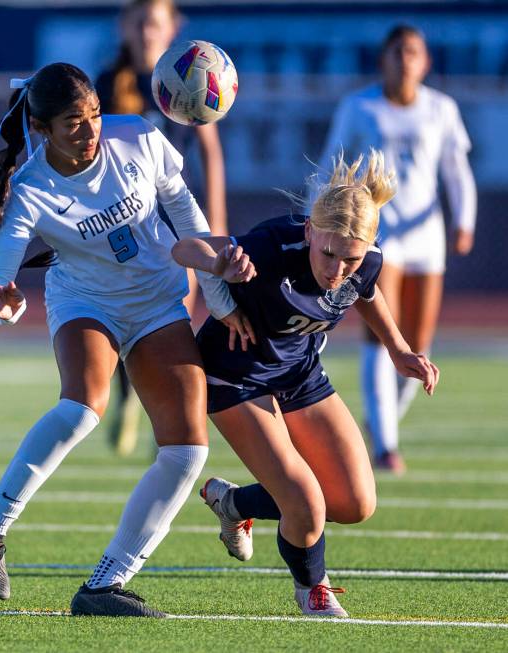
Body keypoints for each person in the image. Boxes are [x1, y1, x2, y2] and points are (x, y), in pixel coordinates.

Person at [0, 62, 245, 618]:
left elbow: (186, 214)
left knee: (187, 451)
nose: (89, 131)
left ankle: (105, 585)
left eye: (93, 115)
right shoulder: (31, 188)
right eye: (72, 122)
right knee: (82, 408)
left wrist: (218, 296)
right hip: (85, 302)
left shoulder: (138, 135)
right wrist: (4, 304)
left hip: (158, 301)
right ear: (42, 129)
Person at [171, 150, 439, 617]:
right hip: (237, 376)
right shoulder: (273, 245)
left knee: (355, 503)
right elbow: (184, 248)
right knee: (307, 506)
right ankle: (312, 588)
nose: (337, 270)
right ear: (310, 231)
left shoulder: (366, 262)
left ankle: (232, 503)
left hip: (299, 375)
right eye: (328, 253)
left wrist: (398, 349)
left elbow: (367, 293)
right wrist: (221, 266)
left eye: (350, 259)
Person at [319, 25, 476, 473]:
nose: (405, 60)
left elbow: (457, 171)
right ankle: (386, 445)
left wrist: (464, 221)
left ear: (425, 62)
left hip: (427, 236)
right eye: (397, 52)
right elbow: (334, 159)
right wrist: (322, 218)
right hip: (377, 235)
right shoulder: (359, 106)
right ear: (383, 59)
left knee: (417, 344)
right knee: (381, 336)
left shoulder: (441, 110)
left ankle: (381, 418)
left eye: (413, 52)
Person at [96, 0, 229, 453]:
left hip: (175, 223)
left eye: (155, 23)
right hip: (122, 224)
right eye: (140, 23)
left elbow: (209, 150)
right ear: (125, 27)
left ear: (173, 28)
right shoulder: (109, 84)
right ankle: (127, 397)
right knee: (123, 317)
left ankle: (168, 420)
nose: (147, 32)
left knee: (176, 318)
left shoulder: (189, 76)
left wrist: (215, 221)